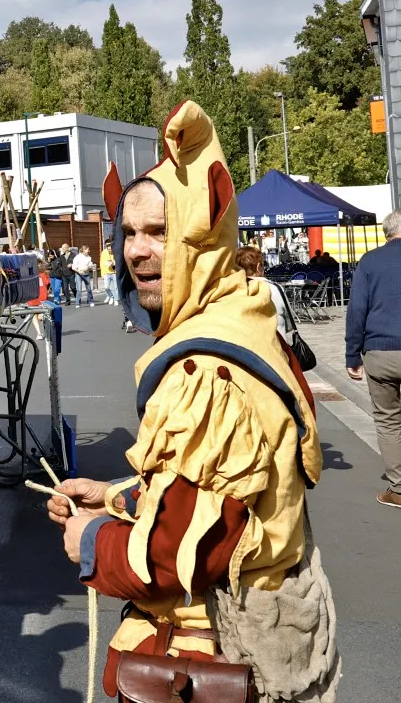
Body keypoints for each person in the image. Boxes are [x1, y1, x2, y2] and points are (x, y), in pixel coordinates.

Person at [47, 101, 335, 700]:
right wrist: (115, 495)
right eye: (128, 233)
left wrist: (92, 540)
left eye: (159, 232)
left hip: (213, 649)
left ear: (202, 240)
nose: (137, 251)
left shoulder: (205, 369)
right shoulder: (242, 312)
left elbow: (180, 554)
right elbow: (218, 493)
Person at [345, 209, 401, 509]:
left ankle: (399, 489)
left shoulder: (370, 261)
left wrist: (352, 354)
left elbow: (356, 311)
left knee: (389, 420)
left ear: (386, 233)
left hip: (380, 352)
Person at [235, 246, 292, 340]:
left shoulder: (231, 289)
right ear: (258, 267)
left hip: (242, 350)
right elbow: (288, 325)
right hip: (275, 348)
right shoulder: (275, 289)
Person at [100, 239, 117, 306]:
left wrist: (113, 264)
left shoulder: (115, 251)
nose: (109, 248)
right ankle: (110, 296)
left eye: (110, 245)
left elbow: (118, 262)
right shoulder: (104, 252)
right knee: (106, 287)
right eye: (107, 245)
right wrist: (102, 273)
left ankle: (115, 299)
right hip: (106, 273)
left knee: (115, 288)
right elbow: (101, 263)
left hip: (114, 272)